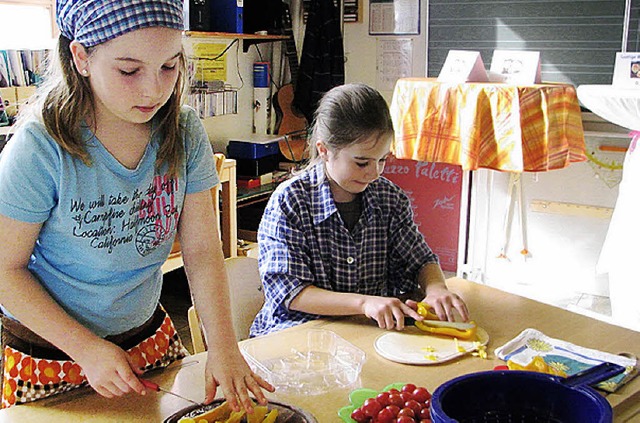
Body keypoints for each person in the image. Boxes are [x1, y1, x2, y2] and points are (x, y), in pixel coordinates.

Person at [0, 0, 273, 410]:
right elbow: (5, 271)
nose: (154, 89)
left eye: (169, 66)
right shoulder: (42, 146)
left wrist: (224, 347)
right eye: (129, 70)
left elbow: (201, 251)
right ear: (81, 57)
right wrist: (86, 347)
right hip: (50, 352)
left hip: (146, 338)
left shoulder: (183, 131)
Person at [251, 83, 470, 337]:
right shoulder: (291, 202)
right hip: (299, 334)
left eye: (382, 160)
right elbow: (292, 292)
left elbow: (420, 260)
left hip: (366, 333)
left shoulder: (389, 198)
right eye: (362, 162)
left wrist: (436, 288)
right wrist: (365, 302)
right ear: (324, 150)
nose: (375, 172)